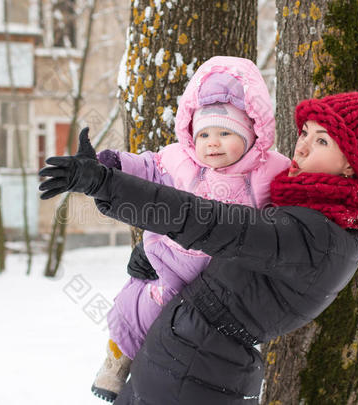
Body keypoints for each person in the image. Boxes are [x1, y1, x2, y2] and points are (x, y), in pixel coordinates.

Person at [39, 84, 358, 405]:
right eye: (305, 133)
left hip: (193, 371)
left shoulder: (319, 234)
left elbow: (211, 222)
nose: (301, 148)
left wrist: (106, 184)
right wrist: (161, 256)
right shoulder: (313, 216)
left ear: (351, 164)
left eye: (322, 140)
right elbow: (230, 260)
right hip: (189, 359)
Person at [89, 56, 290, 401]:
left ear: (251, 131)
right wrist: (114, 165)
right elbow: (148, 167)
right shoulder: (181, 160)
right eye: (205, 134)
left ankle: (144, 370)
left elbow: (291, 197)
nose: (212, 143)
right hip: (168, 258)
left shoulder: (269, 170)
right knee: (136, 306)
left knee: (173, 327)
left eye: (226, 133)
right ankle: (116, 362)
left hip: (215, 276)